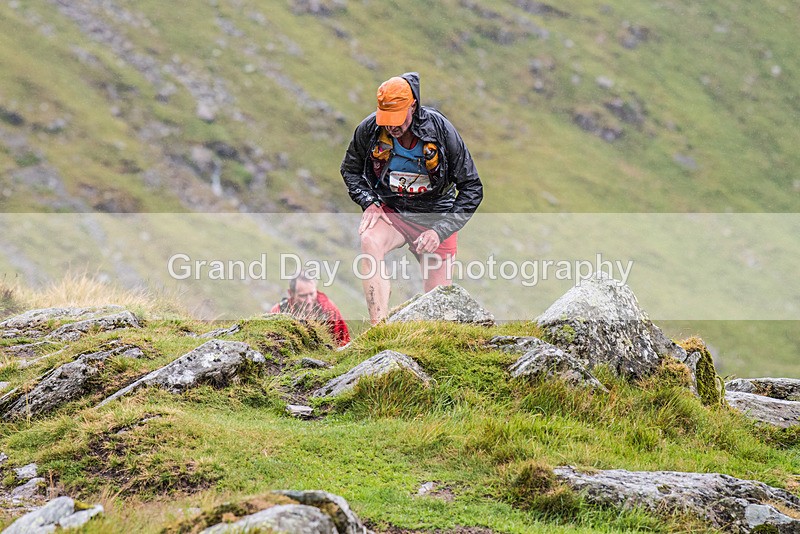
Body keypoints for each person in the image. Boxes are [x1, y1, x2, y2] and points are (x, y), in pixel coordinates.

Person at [341, 72, 483, 324]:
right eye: (386, 118)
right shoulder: (370, 129)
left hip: (436, 216)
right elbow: (350, 170)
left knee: (437, 307)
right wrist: (369, 202)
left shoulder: (440, 130)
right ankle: (379, 329)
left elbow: (472, 187)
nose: (392, 126)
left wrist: (439, 231)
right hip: (394, 210)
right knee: (370, 240)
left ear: (413, 106)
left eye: (397, 118)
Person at [270, 272, 350, 346]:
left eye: (311, 294)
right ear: (291, 293)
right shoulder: (278, 312)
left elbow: (343, 342)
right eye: (303, 296)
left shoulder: (329, 309)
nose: (308, 301)